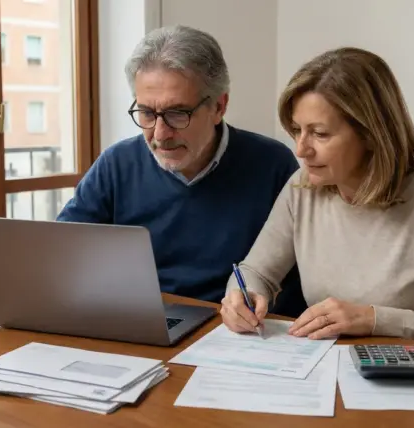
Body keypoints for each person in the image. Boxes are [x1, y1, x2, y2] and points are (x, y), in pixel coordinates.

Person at [220, 47, 414, 355]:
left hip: (407, 384)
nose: (301, 150)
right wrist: (241, 294)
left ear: (370, 134)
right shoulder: (301, 189)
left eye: (320, 134)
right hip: (324, 372)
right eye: (298, 130)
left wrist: (372, 319)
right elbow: (256, 272)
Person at [57, 25, 305, 315]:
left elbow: (295, 281)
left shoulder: (273, 164)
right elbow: (62, 254)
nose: (160, 134)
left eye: (177, 113)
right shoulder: (117, 164)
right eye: (147, 113)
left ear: (219, 106)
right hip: (141, 321)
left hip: (235, 331)